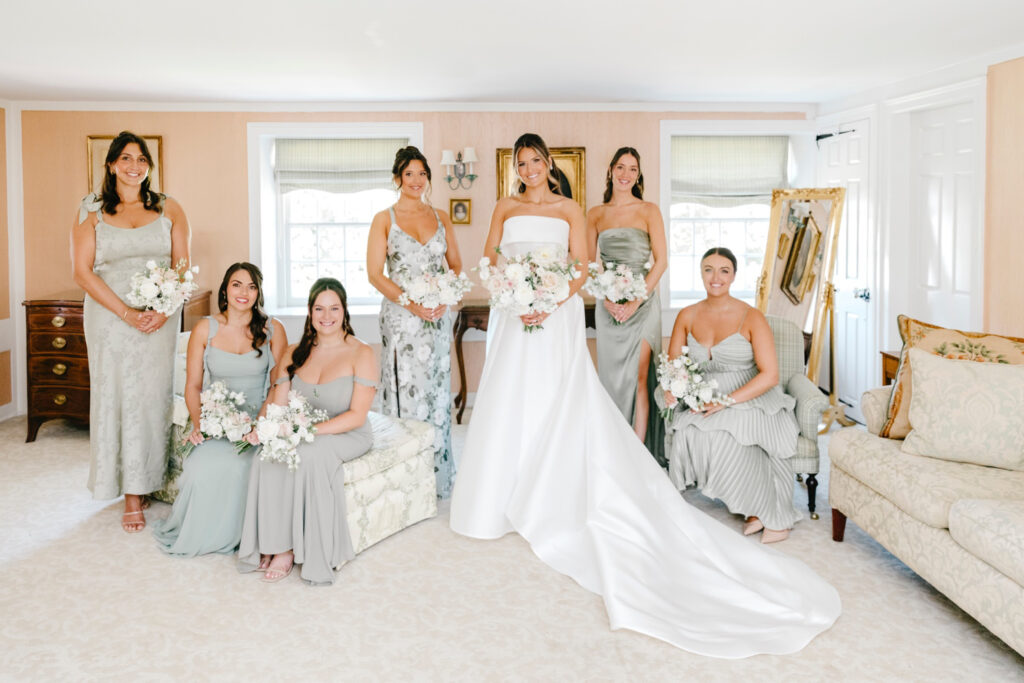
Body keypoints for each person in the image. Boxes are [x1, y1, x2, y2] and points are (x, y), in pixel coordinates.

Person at [449, 133, 840, 657]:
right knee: (509, 400)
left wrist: (548, 299)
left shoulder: (569, 208)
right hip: (514, 316)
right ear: (516, 169)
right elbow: (491, 257)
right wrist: (514, 296)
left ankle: (555, 487)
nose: (529, 169)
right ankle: (505, 491)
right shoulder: (505, 204)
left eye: (536, 161)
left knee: (556, 398)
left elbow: (582, 267)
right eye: (521, 164)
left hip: (553, 313)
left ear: (548, 164)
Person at [71, 130, 191, 533]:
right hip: (109, 319)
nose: (134, 165)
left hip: (159, 318)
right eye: (125, 158)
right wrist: (125, 312)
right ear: (111, 164)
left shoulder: (170, 207)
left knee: (151, 397)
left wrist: (162, 309)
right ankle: (130, 496)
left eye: (141, 159)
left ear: (148, 167)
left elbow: (181, 267)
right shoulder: (91, 210)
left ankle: (151, 480)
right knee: (117, 397)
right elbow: (82, 273)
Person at [238, 278, 377, 585]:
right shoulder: (294, 351)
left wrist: (307, 431)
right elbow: (279, 402)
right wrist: (268, 429)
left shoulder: (361, 352)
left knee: (308, 453)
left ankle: (290, 550)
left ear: (344, 311)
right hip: (301, 426)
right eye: (319, 308)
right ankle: (273, 543)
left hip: (345, 432)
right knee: (269, 454)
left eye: (334, 308)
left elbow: (356, 416)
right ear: (310, 312)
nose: (326, 315)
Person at [663, 247, 802, 543]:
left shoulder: (751, 316)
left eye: (724, 270)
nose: (716, 277)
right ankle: (749, 504)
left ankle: (762, 510)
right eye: (708, 269)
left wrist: (726, 402)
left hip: (751, 394)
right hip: (705, 393)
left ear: (734, 276)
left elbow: (770, 375)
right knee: (690, 430)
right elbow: (675, 366)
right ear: (701, 273)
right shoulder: (686, 315)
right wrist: (675, 391)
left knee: (734, 433)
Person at [151, 263, 287, 556]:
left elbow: (279, 385)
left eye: (252, 287)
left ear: (258, 293)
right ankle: (205, 534)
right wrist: (201, 424)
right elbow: (193, 386)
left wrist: (259, 426)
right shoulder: (205, 328)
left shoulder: (273, 329)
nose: (244, 292)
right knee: (200, 468)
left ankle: (245, 536)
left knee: (245, 467)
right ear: (225, 288)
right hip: (217, 418)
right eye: (237, 284)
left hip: (260, 419)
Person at [367, 146, 463, 498]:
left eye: (422, 174)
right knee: (404, 392)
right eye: (409, 174)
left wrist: (441, 296)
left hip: (436, 319)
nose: (416, 180)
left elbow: (455, 266)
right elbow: (375, 274)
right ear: (397, 178)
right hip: (401, 319)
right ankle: (405, 480)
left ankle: (436, 476)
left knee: (436, 393)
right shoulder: (384, 219)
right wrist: (412, 303)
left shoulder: (440, 217)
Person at [586, 147, 667, 465]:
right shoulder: (595, 214)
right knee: (611, 379)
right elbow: (588, 266)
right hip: (607, 306)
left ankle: (637, 459)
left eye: (632, 169)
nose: (625, 174)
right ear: (610, 170)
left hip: (643, 304)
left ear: (638, 175)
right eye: (620, 167)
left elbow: (661, 262)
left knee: (638, 376)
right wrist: (604, 297)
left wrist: (635, 301)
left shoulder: (649, 210)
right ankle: (612, 451)